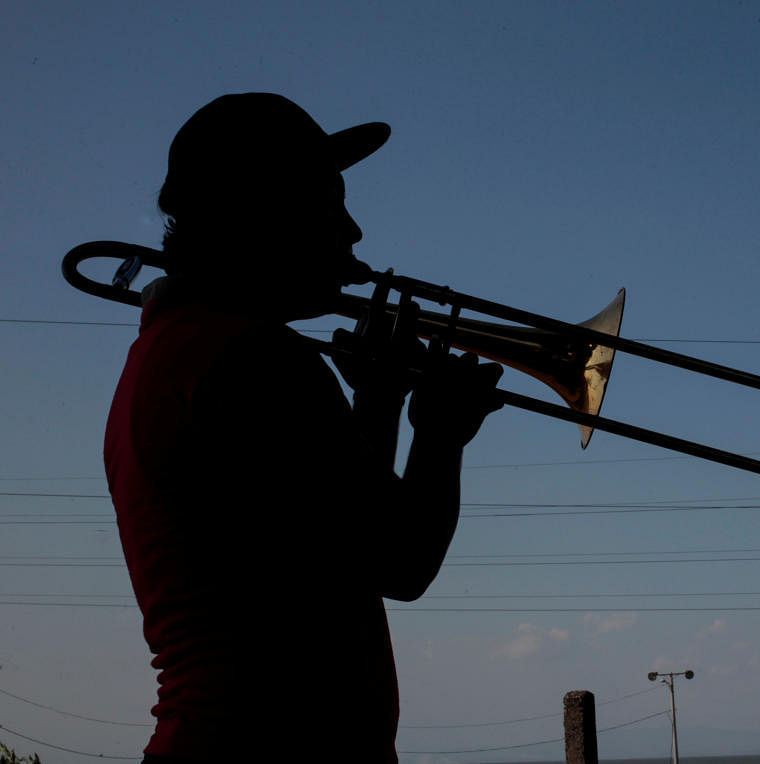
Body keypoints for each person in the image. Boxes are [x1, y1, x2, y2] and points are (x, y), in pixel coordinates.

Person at [103, 93, 502, 763]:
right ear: (263, 213)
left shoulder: (176, 349)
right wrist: (439, 430)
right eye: (330, 204)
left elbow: (331, 541)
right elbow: (400, 561)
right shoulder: (252, 355)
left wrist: (377, 399)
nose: (353, 233)